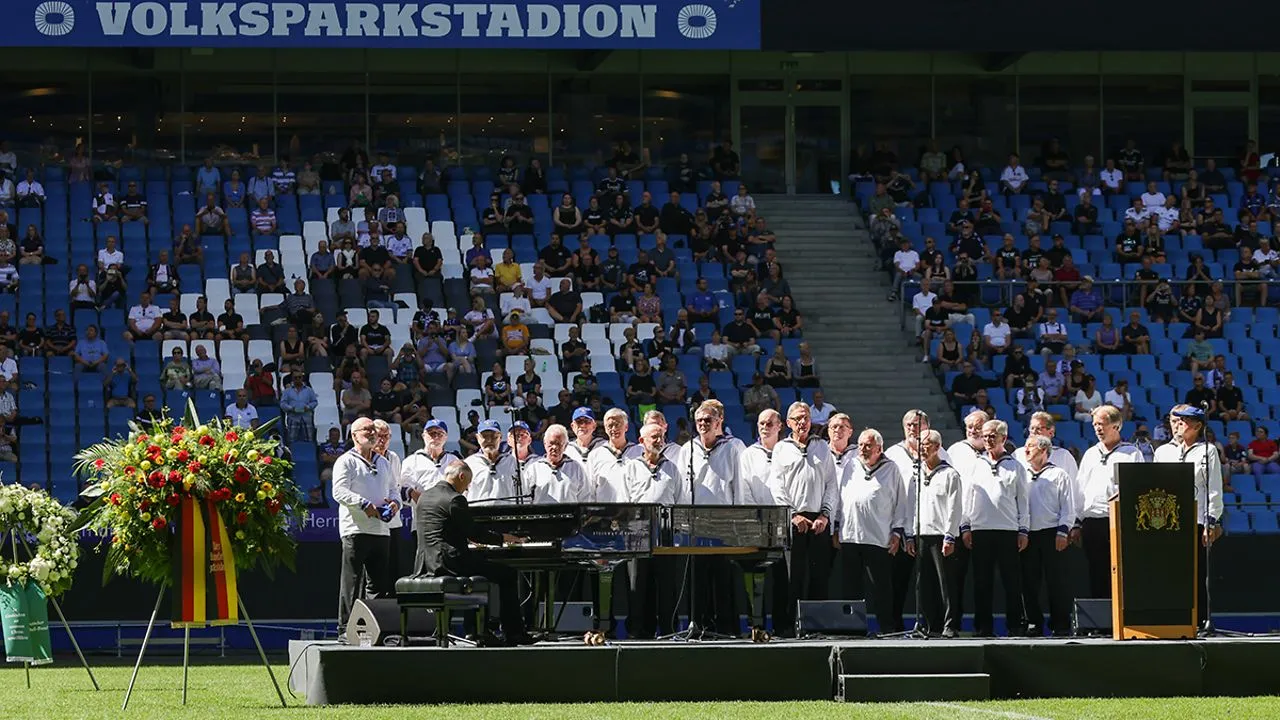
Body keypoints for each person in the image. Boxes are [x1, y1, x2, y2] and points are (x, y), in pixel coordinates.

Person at [413, 460, 534, 645]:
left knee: (479, 570)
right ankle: (513, 632)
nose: (467, 489)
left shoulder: (425, 497)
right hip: (451, 563)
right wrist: (504, 538)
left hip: (426, 563)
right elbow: (475, 533)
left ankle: (476, 629)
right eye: (468, 484)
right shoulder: (455, 499)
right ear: (461, 477)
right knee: (508, 574)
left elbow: (443, 529)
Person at [676, 399, 744, 635]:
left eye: (708, 420)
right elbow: (683, 488)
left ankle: (727, 628)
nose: (703, 424)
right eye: (699, 421)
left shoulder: (734, 446)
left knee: (723, 578)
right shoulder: (688, 449)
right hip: (696, 524)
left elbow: (740, 486)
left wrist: (739, 521)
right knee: (698, 579)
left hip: (724, 522)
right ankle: (699, 625)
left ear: (719, 421)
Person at [1153, 405, 1224, 630]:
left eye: (1182, 422)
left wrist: (1211, 520)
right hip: (1167, 521)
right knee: (1169, 570)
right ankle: (1172, 617)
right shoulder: (1162, 452)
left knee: (1196, 572)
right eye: (1174, 421)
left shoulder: (1207, 451)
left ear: (1197, 425)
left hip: (1195, 520)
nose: (1177, 425)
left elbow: (1214, 489)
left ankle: (1200, 619)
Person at [768, 401, 838, 618]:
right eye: (797, 419)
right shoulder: (781, 448)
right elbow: (776, 486)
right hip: (792, 520)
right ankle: (790, 625)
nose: (802, 423)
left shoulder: (822, 446)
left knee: (819, 576)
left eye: (805, 418)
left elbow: (831, 484)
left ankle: (817, 624)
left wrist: (825, 515)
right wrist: (793, 514)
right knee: (793, 576)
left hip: (818, 520)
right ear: (788, 423)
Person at [960, 419, 1029, 638]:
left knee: (1012, 581)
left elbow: (1023, 501)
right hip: (980, 530)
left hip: (1008, 530)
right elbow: (967, 497)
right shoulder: (975, 464)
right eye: (985, 435)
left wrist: (1023, 529)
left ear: (1003, 438)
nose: (988, 440)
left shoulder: (1015, 466)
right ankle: (983, 627)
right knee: (982, 581)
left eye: (993, 436)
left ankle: (1016, 625)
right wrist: (965, 526)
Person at [883, 409, 949, 633]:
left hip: (930, 528)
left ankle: (934, 626)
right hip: (900, 527)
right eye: (909, 424)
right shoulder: (892, 453)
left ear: (927, 427)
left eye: (918, 424)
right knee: (897, 581)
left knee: (930, 582)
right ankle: (894, 626)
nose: (913, 428)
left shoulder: (943, 454)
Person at [835, 427, 906, 635]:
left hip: (878, 537)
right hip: (850, 535)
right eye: (861, 445)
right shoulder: (851, 465)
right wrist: (837, 526)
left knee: (881, 588)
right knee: (850, 587)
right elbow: (841, 497)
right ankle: (851, 628)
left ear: (879, 448)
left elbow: (900, 503)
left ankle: (886, 628)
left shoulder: (891, 469)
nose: (863, 449)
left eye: (868, 445)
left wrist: (897, 532)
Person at [332, 417, 398, 635]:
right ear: (353, 435)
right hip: (355, 529)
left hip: (381, 530)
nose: (372, 434)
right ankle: (346, 628)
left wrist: (395, 503)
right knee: (352, 581)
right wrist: (363, 504)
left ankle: (375, 628)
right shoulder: (346, 461)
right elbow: (338, 492)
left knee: (378, 583)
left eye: (373, 430)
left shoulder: (384, 462)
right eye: (366, 430)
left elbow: (393, 490)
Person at [1073, 405, 1145, 602]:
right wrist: (1077, 522)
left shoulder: (1131, 454)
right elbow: (1080, 489)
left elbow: (1138, 487)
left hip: (1119, 521)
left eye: (1102, 424)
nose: (1097, 428)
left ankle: (1121, 617)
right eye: (1095, 424)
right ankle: (1099, 620)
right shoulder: (1090, 454)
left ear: (1116, 425)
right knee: (1095, 570)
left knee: (1120, 570)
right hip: (1092, 521)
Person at [622, 422, 681, 638]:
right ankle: (637, 632)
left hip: (665, 534)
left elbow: (679, 500)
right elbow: (624, 501)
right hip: (637, 533)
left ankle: (669, 631)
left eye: (661, 436)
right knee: (638, 586)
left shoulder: (672, 468)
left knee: (667, 587)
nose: (658, 440)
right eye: (654, 437)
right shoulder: (631, 467)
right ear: (641, 441)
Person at [737, 408, 793, 634]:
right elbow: (745, 488)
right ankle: (755, 624)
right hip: (758, 523)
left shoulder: (789, 451)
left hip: (784, 522)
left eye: (770, 423)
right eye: (761, 423)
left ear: (780, 426)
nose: (765, 427)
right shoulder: (748, 454)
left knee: (784, 579)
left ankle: (783, 627)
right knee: (754, 577)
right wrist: (755, 517)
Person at [909, 429, 963, 637]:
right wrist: (911, 533)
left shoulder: (950, 474)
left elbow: (954, 507)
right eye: (920, 444)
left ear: (938, 447)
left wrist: (950, 535)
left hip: (942, 535)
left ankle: (950, 624)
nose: (923, 448)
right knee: (925, 583)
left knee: (946, 583)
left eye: (927, 444)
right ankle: (932, 624)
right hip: (922, 533)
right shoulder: (917, 473)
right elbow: (912, 504)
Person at [1020, 435, 1075, 637]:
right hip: (1028, 534)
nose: (1026, 450)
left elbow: (1068, 507)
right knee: (1029, 582)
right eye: (1025, 446)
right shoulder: (1021, 474)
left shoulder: (1059, 474)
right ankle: (1033, 622)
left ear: (1044, 450)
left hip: (1053, 533)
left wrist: (1063, 531)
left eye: (1031, 446)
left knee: (1057, 581)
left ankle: (1060, 624)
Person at [462, 419, 519, 503]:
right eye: (484, 436)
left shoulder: (512, 462)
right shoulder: (469, 463)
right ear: (478, 438)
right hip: (478, 514)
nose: (489, 440)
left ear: (500, 438)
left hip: (505, 513)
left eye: (493, 436)